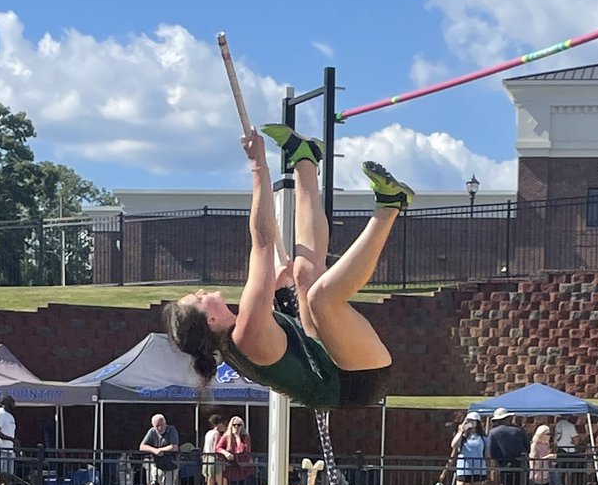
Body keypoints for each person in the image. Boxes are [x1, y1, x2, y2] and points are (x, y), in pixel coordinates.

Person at [164, 125, 413, 409]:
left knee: (304, 273)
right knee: (321, 298)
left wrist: (274, 288)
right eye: (198, 299)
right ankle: (390, 204)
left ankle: (305, 159)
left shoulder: (238, 336)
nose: (201, 291)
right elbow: (262, 242)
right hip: (354, 380)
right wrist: (258, 166)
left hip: (324, 356)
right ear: (210, 320)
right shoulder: (245, 332)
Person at [485, 408, 530, 485]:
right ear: (508, 418)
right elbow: (527, 447)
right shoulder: (519, 430)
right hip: (521, 465)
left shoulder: (493, 433)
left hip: (504, 466)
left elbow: (491, 452)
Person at [215, 416, 255, 485]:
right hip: (232, 470)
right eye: (234, 425)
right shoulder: (226, 436)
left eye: (239, 425)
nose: (236, 427)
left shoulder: (245, 437)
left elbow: (242, 451)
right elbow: (218, 448)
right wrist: (225, 453)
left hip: (245, 470)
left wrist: (237, 438)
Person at [451, 413, 488, 485]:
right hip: (464, 468)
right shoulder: (463, 436)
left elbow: (487, 451)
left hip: (478, 468)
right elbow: (454, 445)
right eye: (469, 420)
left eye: (473, 420)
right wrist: (461, 431)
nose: (471, 422)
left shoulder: (482, 437)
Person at [139, 413, 179, 485]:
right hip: (156, 464)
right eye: (157, 426)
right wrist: (154, 450)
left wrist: (161, 450)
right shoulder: (152, 431)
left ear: (165, 423)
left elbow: (174, 447)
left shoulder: (171, 430)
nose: (159, 428)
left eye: (161, 425)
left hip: (171, 465)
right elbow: (142, 446)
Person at [201, 412, 227, 485]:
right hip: (215, 462)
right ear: (219, 424)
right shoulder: (217, 434)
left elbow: (204, 449)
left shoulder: (208, 433)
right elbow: (217, 449)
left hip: (206, 460)